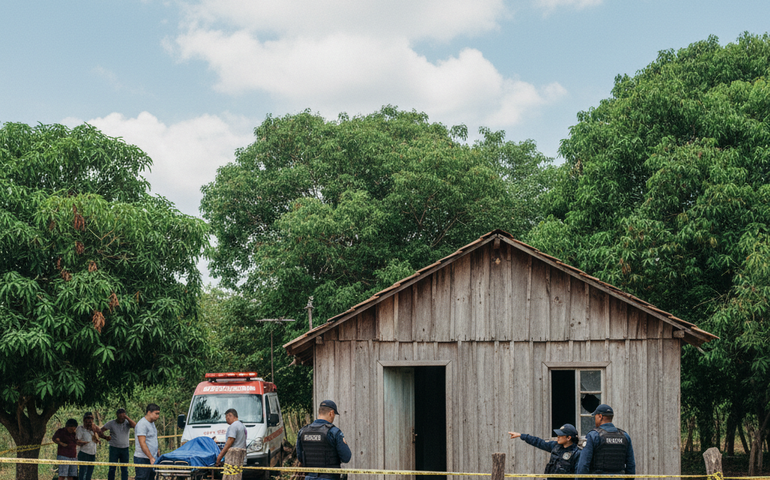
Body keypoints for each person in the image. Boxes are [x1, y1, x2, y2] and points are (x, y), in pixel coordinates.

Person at [296, 400, 352, 480]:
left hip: (309, 477)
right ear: (331, 413)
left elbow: (300, 457)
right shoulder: (334, 432)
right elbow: (346, 457)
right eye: (334, 415)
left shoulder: (302, 432)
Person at [576, 404, 636, 478]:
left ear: (600, 416)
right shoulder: (625, 436)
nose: (594, 419)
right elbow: (631, 465)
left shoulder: (593, 435)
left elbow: (583, 465)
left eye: (595, 416)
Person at [508, 423, 581, 480]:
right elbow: (539, 442)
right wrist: (521, 435)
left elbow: (578, 475)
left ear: (568, 438)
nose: (558, 437)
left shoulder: (577, 453)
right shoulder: (555, 446)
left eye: (561, 435)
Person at [101, 408, 136, 480]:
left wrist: (127, 418)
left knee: (124, 469)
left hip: (125, 449)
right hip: (114, 448)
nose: (121, 419)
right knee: (112, 468)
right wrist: (105, 437)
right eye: (120, 417)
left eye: (123, 417)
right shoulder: (111, 423)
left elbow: (135, 425)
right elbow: (101, 430)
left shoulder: (127, 423)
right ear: (117, 415)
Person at [76, 412, 108, 480]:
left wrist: (105, 437)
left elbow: (100, 434)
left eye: (91, 418)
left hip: (92, 454)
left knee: (89, 474)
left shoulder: (94, 428)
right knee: (83, 474)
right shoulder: (81, 429)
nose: (89, 420)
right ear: (84, 419)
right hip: (84, 453)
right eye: (88, 418)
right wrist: (83, 443)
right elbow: (77, 441)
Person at [134, 403, 161, 480]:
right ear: (149, 412)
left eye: (158, 414)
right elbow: (142, 443)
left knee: (151, 477)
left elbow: (152, 439)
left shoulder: (152, 423)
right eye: (156, 413)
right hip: (142, 458)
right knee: (142, 478)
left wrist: (156, 452)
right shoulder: (142, 424)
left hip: (152, 458)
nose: (158, 416)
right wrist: (150, 457)